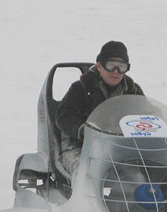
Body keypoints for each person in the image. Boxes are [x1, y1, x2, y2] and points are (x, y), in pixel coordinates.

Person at [55, 41, 144, 175]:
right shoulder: (81, 88)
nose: (116, 72)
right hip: (79, 146)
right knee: (85, 172)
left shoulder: (132, 91)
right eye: (111, 66)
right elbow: (63, 116)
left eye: (121, 67)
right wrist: (83, 130)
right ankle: (84, 195)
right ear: (99, 66)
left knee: (142, 170)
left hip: (120, 146)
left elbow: (147, 113)